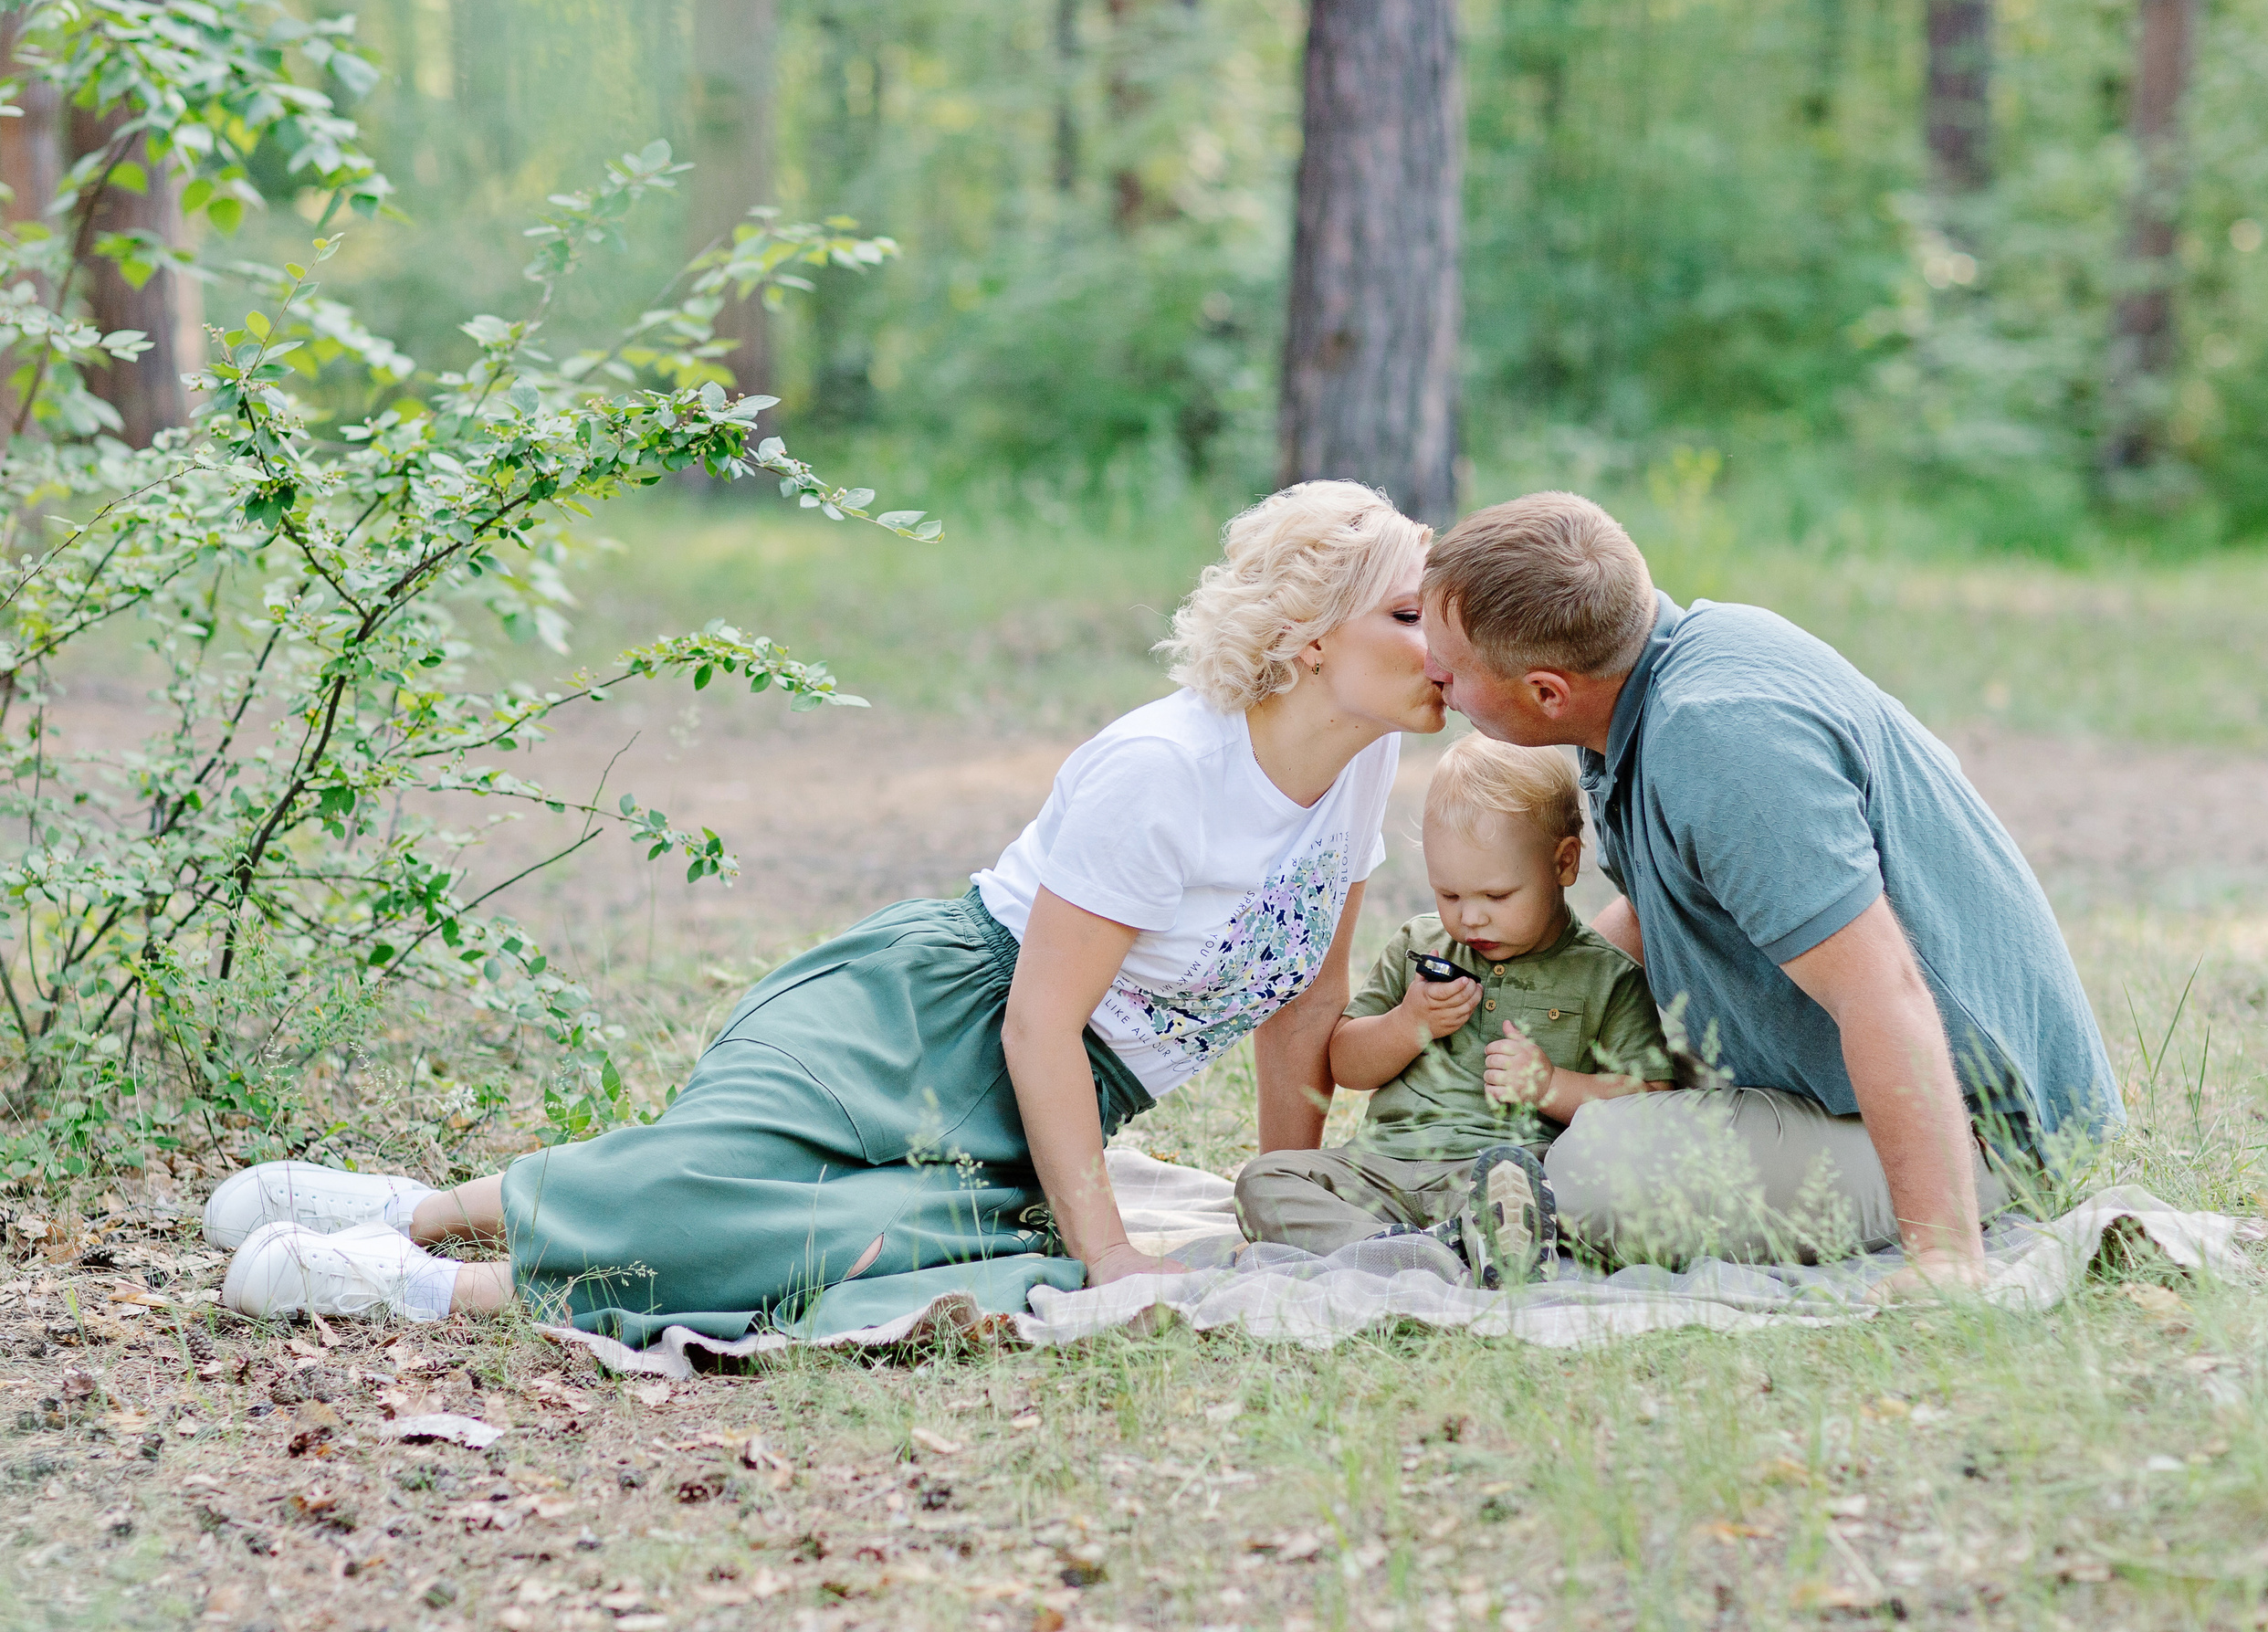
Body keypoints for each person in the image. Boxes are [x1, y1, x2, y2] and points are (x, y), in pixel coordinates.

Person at [204, 479, 1448, 1342]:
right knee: (718, 1193)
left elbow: (1310, 1005)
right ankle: (407, 1237)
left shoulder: (1361, 765)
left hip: (1055, 1099)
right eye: (1409, 612)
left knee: (861, 1247)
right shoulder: (1164, 770)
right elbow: (1036, 1025)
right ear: (1305, 638)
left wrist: (1286, 1192)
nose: (1443, 642)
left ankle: (437, 1270)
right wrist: (1112, 1250)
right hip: (929, 1020)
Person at [1419, 491, 2122, 1299]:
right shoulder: (1642, 686)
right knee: (1529, 1111)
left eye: (1449, 668)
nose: (1430, 675)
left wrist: (1945, 1260)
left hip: (1987, 1129)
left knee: (1597, 1173)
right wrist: (1526, 993)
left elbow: (1879, 986)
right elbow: (1668, 905)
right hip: (1838, 1079)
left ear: (1548, 691)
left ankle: (1948, 1225)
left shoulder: (1722, 742)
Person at [1234, 734, 1675, 1284]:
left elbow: (1652, 1103)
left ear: (1564, 863)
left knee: (1578, 1195)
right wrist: (1408, 1024)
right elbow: (1346, 1066)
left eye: (1495, 897)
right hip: (1384, 1168)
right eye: (1449, 894)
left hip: (1507, 1174)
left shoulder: (1606, 976)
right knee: (1264, 1180)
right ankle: (1418, 1252)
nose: (1470, 918)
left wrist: (1551, 1086)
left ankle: (1452, 1241)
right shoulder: (1419, 945)